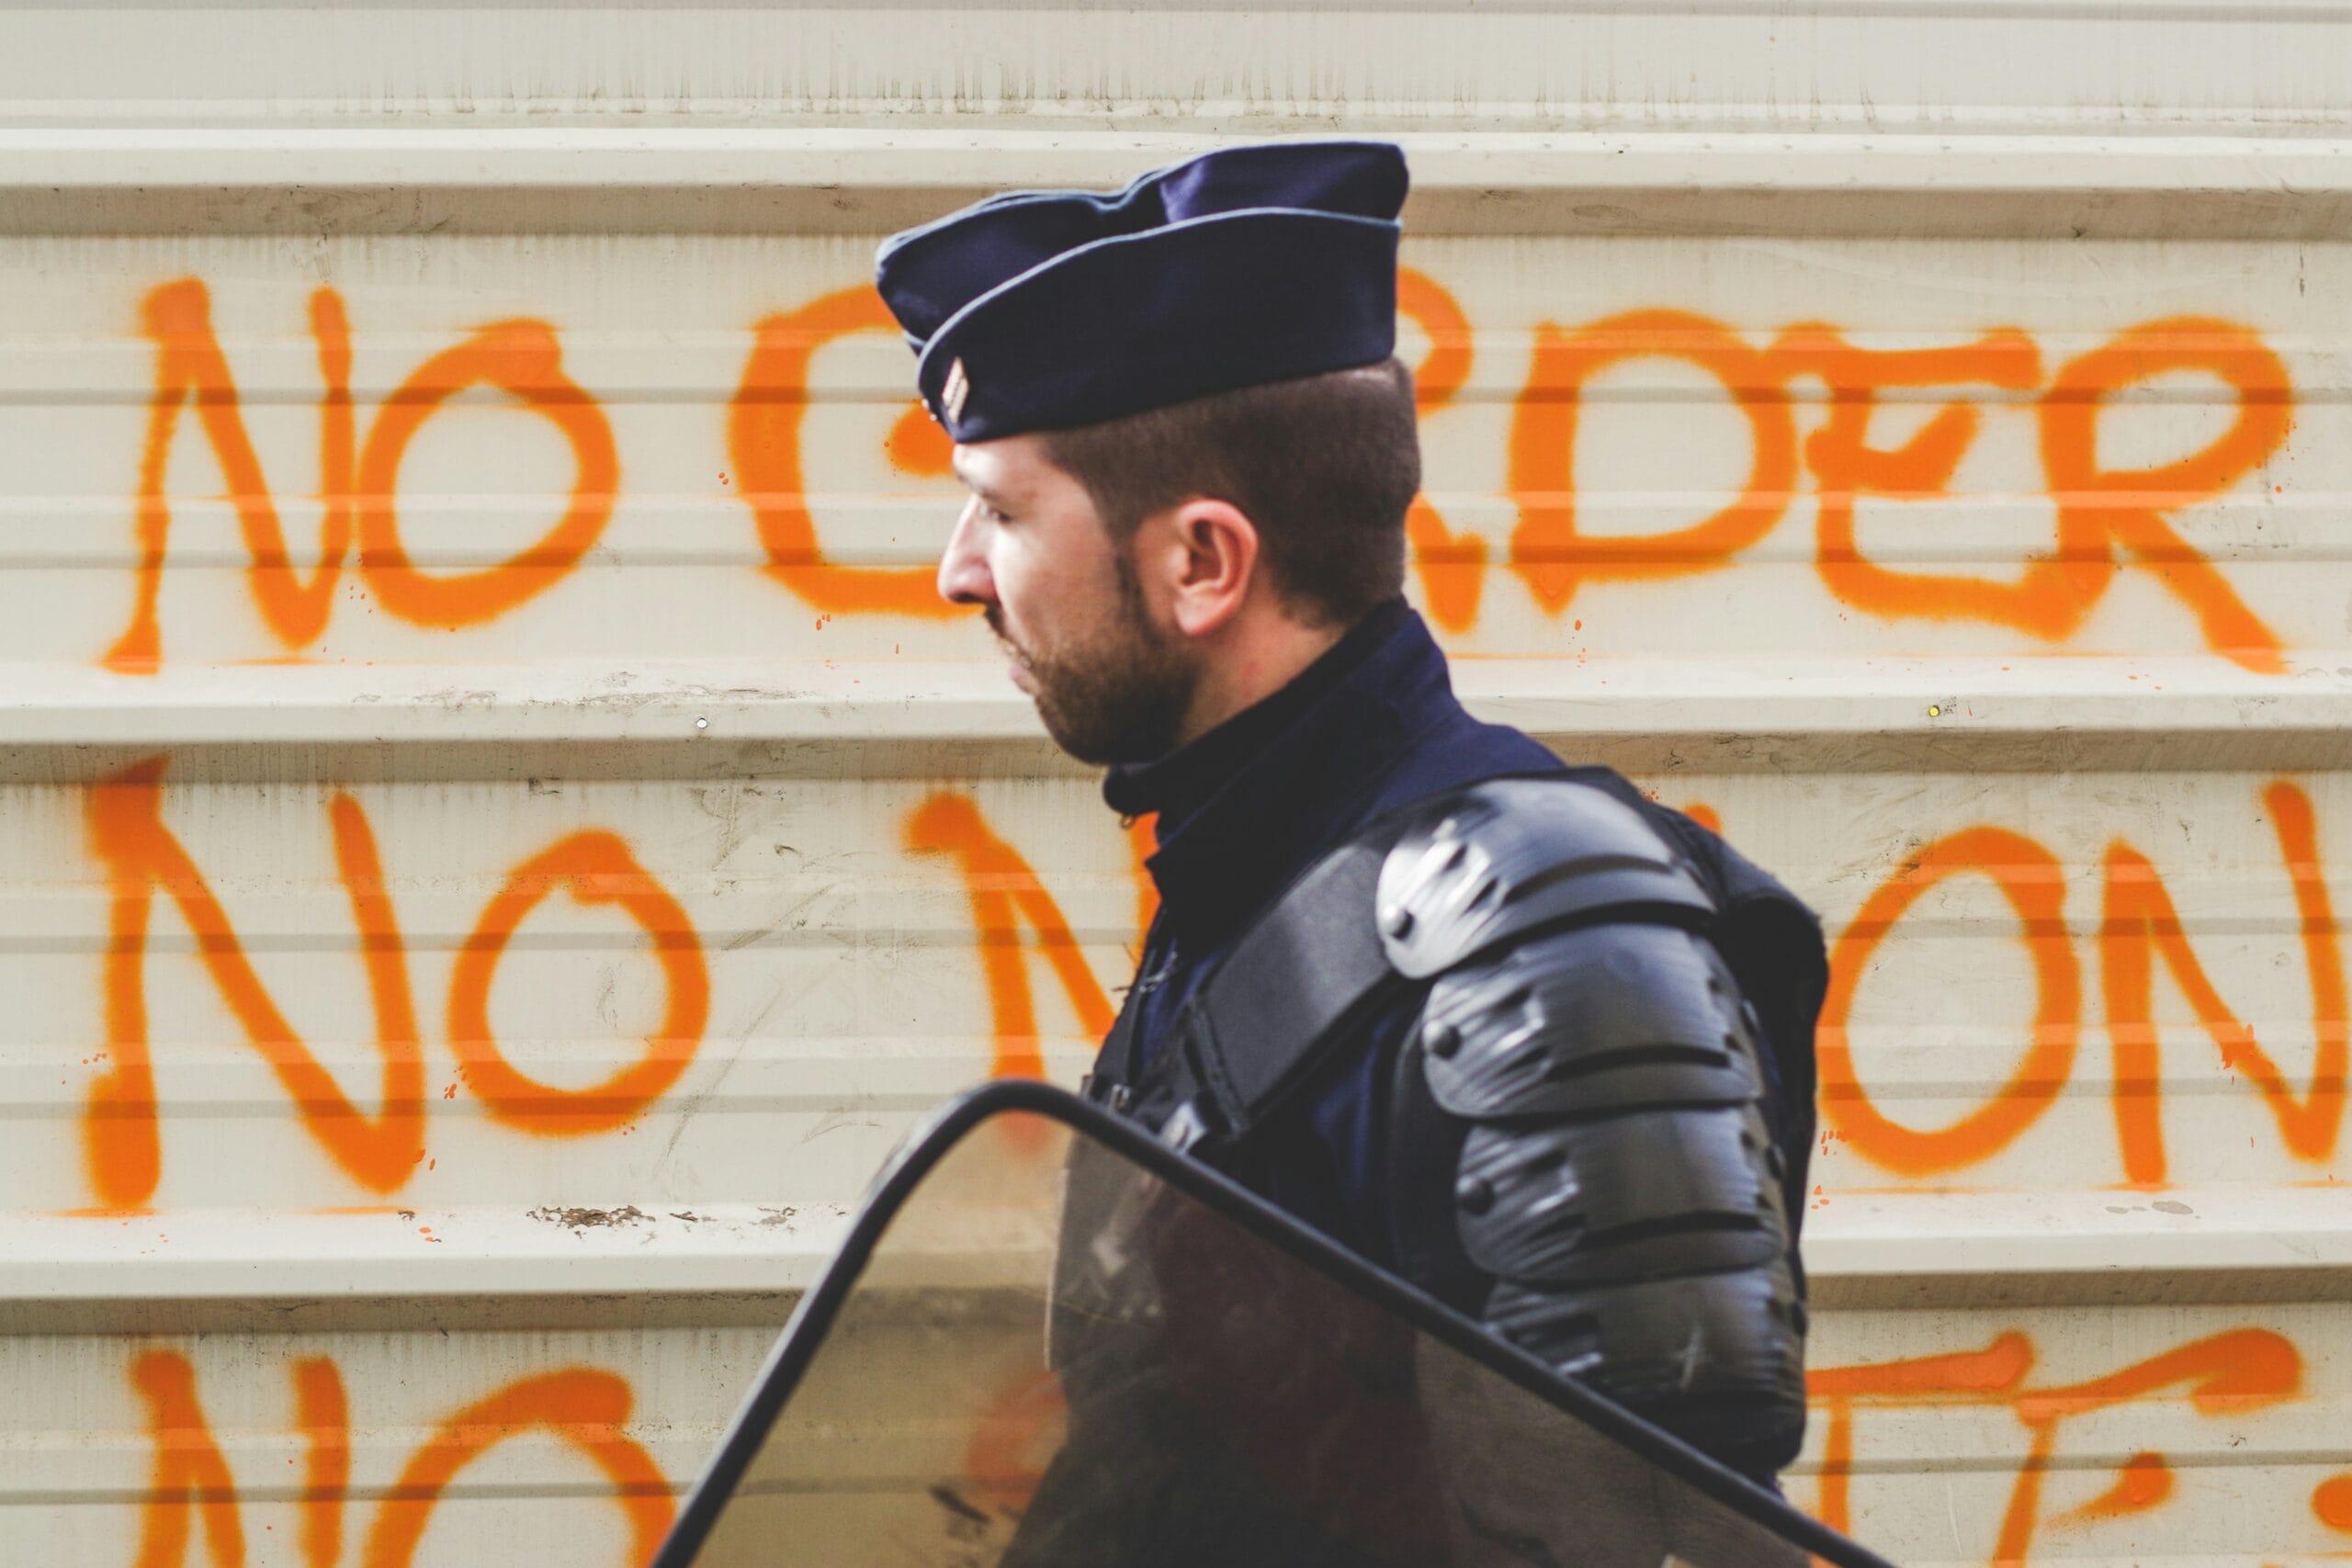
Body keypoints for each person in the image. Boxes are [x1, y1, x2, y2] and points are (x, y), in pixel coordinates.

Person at [875, 141, 1824, 1497]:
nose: (957, 573)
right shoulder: (1256, 875)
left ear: (1202, 561)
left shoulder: (1534, 931)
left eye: (1001, 511)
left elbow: (1632, 1524)